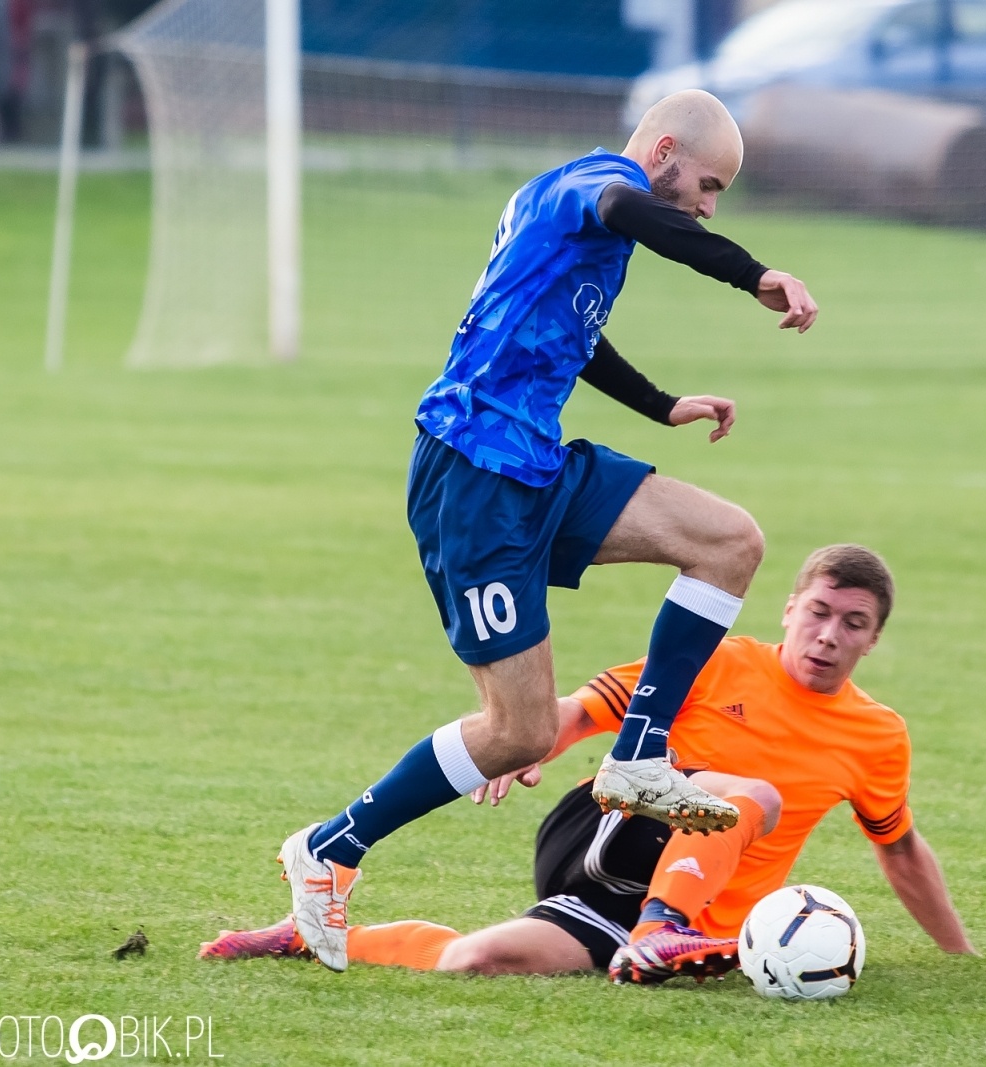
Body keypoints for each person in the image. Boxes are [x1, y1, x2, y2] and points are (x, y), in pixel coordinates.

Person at [277, 89, 822, 972]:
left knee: (729, 541)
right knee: (519, 732)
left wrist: (660, 403)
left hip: (536, 463)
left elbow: (576, 334)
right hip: (475, 474)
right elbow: (626, 208)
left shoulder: (573, 212)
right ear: (666, 151)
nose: (708, 205)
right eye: (708, 184)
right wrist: (753, 274)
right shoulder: (598, 185)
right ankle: (332, 847)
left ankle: (640, 754)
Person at [205, 546, 975, 982]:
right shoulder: (720, 660)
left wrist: (959, 956)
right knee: (755, 792)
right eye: (819, 611)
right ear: (789, 608)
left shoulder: (878, 734)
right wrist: (518, 740)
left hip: (693, 912)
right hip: (610, 831)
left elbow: (898, 844)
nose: (830, 634)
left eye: (854, 623)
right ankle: (660, 927)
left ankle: (316, 933)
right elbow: (583, 708)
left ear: (873, 639)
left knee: (476, 960)